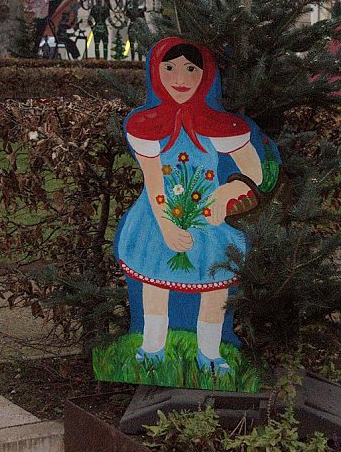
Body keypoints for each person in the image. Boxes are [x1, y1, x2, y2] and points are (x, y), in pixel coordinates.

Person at [115, 37, 269, 376]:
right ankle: (152, 349)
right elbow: (154, 182)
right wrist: (167, 226)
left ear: (205, 75)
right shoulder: (145, 126)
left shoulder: (219, 126)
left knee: (214, 288)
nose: (179, 78)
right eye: (169, 68)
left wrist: (229, 191)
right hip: (159, 216)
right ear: (156, 73)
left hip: (208, 221)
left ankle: (210, 353)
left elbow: (254, 168)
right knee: (154, 282)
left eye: (190, 68)